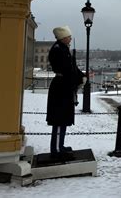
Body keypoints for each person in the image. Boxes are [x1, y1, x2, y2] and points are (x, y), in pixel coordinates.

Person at [47, 26, 85, 158]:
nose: (70, 38)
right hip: (61, 87)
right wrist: (78, 78)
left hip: (64, 86)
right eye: (68, 36)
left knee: (63, 119)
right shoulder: (58, 50)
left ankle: (60, 145)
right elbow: (66, 69)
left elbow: (72, 67)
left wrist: (81, 76)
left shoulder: (63, 49)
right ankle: (56, 149)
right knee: (59, 119)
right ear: (63, 37)